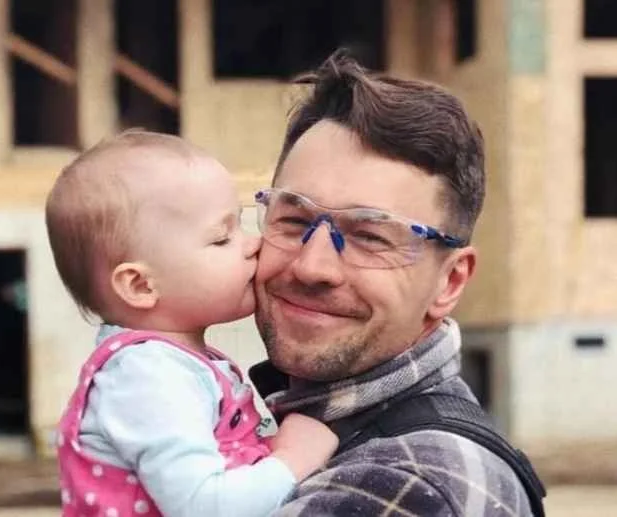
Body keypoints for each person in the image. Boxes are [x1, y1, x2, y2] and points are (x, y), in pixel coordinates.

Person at [250, 51, 544, 516]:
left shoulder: (407, 484)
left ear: (449, 281)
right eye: (293, 218)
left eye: (369, 236)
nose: (312, 267)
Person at [45, 130, 338, 517]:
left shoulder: (176, 362)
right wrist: (291, 459)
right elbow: (205, 507)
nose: (252, 244)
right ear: (140, 284)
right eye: (221, 238)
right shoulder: (147, 375)